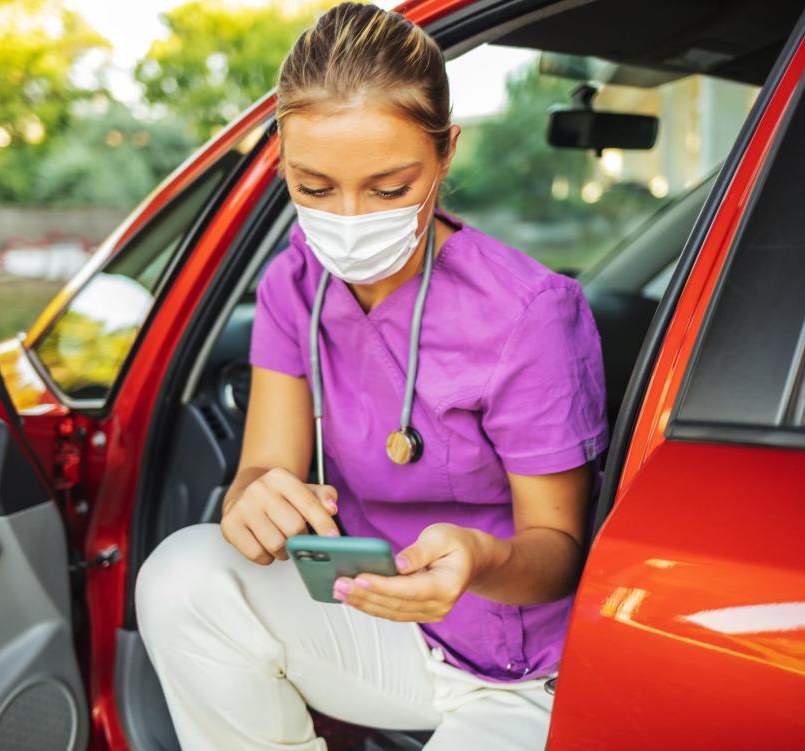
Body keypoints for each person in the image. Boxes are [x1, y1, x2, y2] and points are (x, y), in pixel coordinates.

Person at [134, 3, 609, 749]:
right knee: (181, 575)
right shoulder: (293, 282)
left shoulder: (530, 312)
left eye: (389, 189)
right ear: (282, 160)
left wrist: (480, 559)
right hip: (376, 620)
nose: (348, 221)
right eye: (314, 187)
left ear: (446, 152)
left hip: (514, 667)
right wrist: (252, 504)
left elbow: (557, 552)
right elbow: (262, 465)